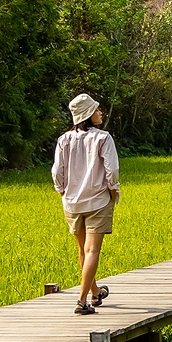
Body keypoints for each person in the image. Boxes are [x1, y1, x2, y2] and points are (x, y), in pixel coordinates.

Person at [52, 93, 119, 315]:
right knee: (92, 250)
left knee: (82, 249)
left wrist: (63, 191)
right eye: (97, 109)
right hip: (98, 200)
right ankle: (82, 301)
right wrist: (113, 190)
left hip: (71, 203)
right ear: (89, 114)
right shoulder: (103, 138)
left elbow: (57, 171)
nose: (101, 113)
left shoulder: (64, 139)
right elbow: (112, 169)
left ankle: (95, 292)